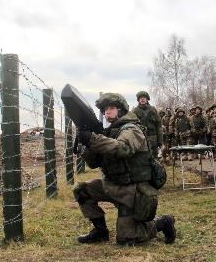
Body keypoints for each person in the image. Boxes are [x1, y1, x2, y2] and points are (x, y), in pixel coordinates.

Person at [74, 93, 176, 245]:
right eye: (105, 109)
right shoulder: (110, 132)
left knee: (127, 239)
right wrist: (85, 146)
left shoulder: (132, 129)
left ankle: (162, 223)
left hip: (132, 191)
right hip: (114, 185)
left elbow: (123, 149)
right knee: (82, 190)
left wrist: (93, 139)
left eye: (111, 108)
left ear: (121, 109)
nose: (107, 112)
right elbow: (94, 163)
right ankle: (100, 232)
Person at [132, 91, 163, 159]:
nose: (142, 99)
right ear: (138, 100)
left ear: (147, 99)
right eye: (140, 98)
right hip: (140, 138)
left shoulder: (153, 110)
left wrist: (160, 141)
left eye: (144, 98)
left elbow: (159, 126)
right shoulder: (135, 111)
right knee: (142, 158)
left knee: (154, 159)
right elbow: (132, 126)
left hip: (153, 138)